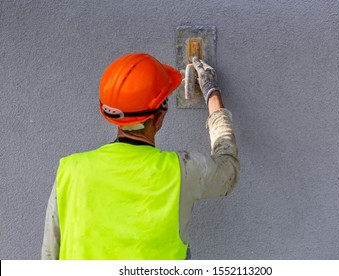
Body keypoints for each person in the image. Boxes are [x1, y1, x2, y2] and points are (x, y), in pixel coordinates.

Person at [41, 53, 239, 260]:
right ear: (160, 116)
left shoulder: (70, 170)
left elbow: (49, 254)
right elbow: (228, 170)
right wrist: (211, 93)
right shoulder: (181, 171)